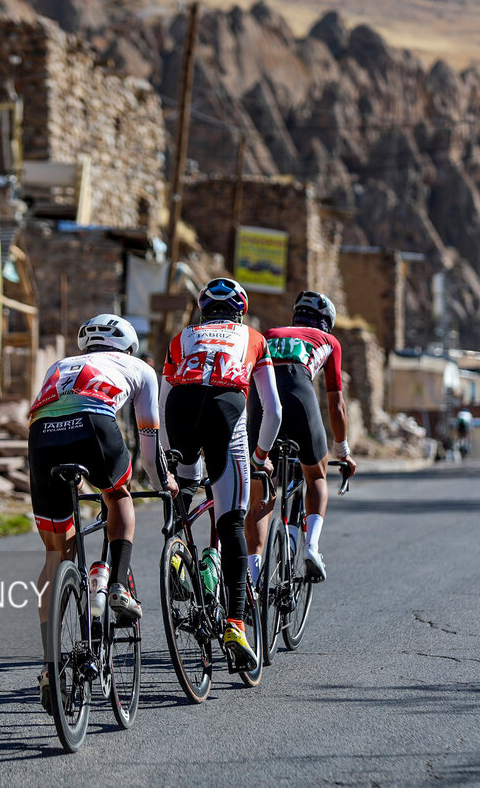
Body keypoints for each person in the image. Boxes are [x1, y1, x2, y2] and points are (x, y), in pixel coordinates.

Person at [28, 314, 177, 711]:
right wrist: (166, 483)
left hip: (42, 436)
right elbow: (149, 450)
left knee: (55, 555)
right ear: (128, 347)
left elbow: (48, 409)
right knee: (118, 496)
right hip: (94, 422)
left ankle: (49, 664)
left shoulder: (58, 366)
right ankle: (115, 586)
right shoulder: (141, 369)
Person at [159, 277, 282, 671]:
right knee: (232, 521)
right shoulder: (254, 338)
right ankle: (235, 624)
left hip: (180, 408)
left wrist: (167, 455)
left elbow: (162, 405)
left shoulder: (181, 338)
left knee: (188, 484)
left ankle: (180, 554)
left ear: (202, 310)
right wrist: (261, 455)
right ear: (240, 310)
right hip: (225, 408)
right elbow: (273, 411)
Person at [245, 290, 358, 586]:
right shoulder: (329, 342)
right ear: (327, 323)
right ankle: (311, 547)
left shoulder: (269, 333)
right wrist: (342, 450)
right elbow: (336, 404)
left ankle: (254, 571)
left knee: (260, 488)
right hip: (299, 391)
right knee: (316, 476)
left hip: (261, 400)